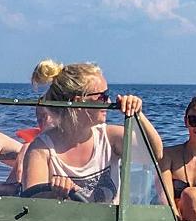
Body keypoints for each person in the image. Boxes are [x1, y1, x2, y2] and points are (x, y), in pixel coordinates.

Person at [18, 61, 154, 202]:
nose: (109, 101)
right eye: (102, 96)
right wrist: (54, 193)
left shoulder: (110, 138)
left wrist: (137, 114)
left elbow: (153, 155)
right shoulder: (41, 149)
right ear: (79, 102)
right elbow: (32, 205)